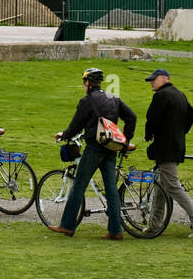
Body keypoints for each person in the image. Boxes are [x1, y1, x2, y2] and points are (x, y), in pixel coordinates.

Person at [50, 68, 136, 240]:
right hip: (111, 147)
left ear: (88, 83)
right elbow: (132, 117)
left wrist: (64, 135)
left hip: (94, 147)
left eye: (84, 82)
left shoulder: (88, 100)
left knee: (79, 185)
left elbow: (76, 125)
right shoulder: (113, 98)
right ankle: (115, 230)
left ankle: (67, 225)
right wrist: (125, 140)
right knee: (111, 189)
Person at [142, 68, 193, 238]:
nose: (151, 83)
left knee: (171, 185)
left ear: (164, 79)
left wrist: (148, 135)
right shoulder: (180, 94)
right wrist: (181, 131)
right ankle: (154, 225)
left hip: (166, 147)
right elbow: (191, 114)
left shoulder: (161, 96)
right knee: (161, 186)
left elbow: (152, 119)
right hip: (176, 145)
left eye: (153, 80)